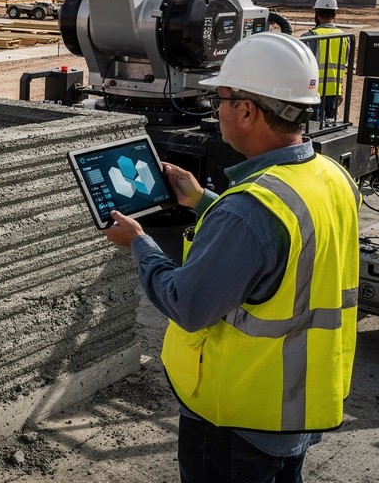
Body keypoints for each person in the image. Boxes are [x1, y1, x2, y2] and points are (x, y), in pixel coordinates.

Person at [104, 32, 361, 483]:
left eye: (219, 99)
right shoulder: (331, 176)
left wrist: (140, 244)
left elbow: (189, 304)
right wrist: (204, 201)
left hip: (239, 417)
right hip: (300, 404)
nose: (214, 110)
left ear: (247, 110)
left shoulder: (249, 211)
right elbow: (280, 249)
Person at [301, 0, 349, 123]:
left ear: (316, 14)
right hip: (334, 91)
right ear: (334, 15)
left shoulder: (309, 37)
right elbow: (343, 64)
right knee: (329, 129)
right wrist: (341, 91)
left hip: (314, 93)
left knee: (313, 130)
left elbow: (302, 67)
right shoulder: (345, 37)